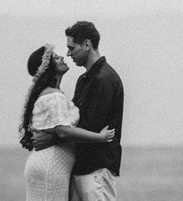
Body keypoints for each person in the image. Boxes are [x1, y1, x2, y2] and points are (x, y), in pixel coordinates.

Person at [34, 20, 125, 200]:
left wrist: (51, 137)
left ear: (87, 45)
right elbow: (73, 122)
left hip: (96, 171)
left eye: (72, 48)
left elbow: (90, 127)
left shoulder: (104, 79)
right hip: (83, 170)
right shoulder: (85, 80)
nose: (68, 53)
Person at [20, 45, 115, 201]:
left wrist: (53, 138)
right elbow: (63, 131)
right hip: (51, 166)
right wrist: (100, 137)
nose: (63, 57)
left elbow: (57, 131)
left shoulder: (49, 94)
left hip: (48, 164)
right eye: (57, 58)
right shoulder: (54, 96)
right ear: (49, 67)